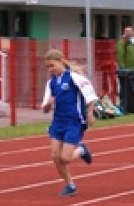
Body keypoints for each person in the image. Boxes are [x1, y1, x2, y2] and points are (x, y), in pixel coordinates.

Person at [41, 49, 97, 197]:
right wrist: (47, 105)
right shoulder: (51, 83)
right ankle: (70, 184)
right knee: (55, 156)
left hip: (74, 121)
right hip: (58, 122)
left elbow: (91, 96)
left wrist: (90, 114)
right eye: (48, 67)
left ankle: (82, 150)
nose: (50, 70)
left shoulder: (74, 77)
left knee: (65, 157)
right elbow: (45, 107)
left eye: (52, 66)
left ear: (61, 61)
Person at [115, 26, 134, 114]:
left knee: (131, 89)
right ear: (124, 32)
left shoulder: (133, 42)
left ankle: (131, 106)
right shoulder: (122, 42)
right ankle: (124, 106)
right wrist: (122, 67)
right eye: (127, 31)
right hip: (126, 70)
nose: (129, 33)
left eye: (130, 31)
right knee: (124, 89)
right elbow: (120, 55)